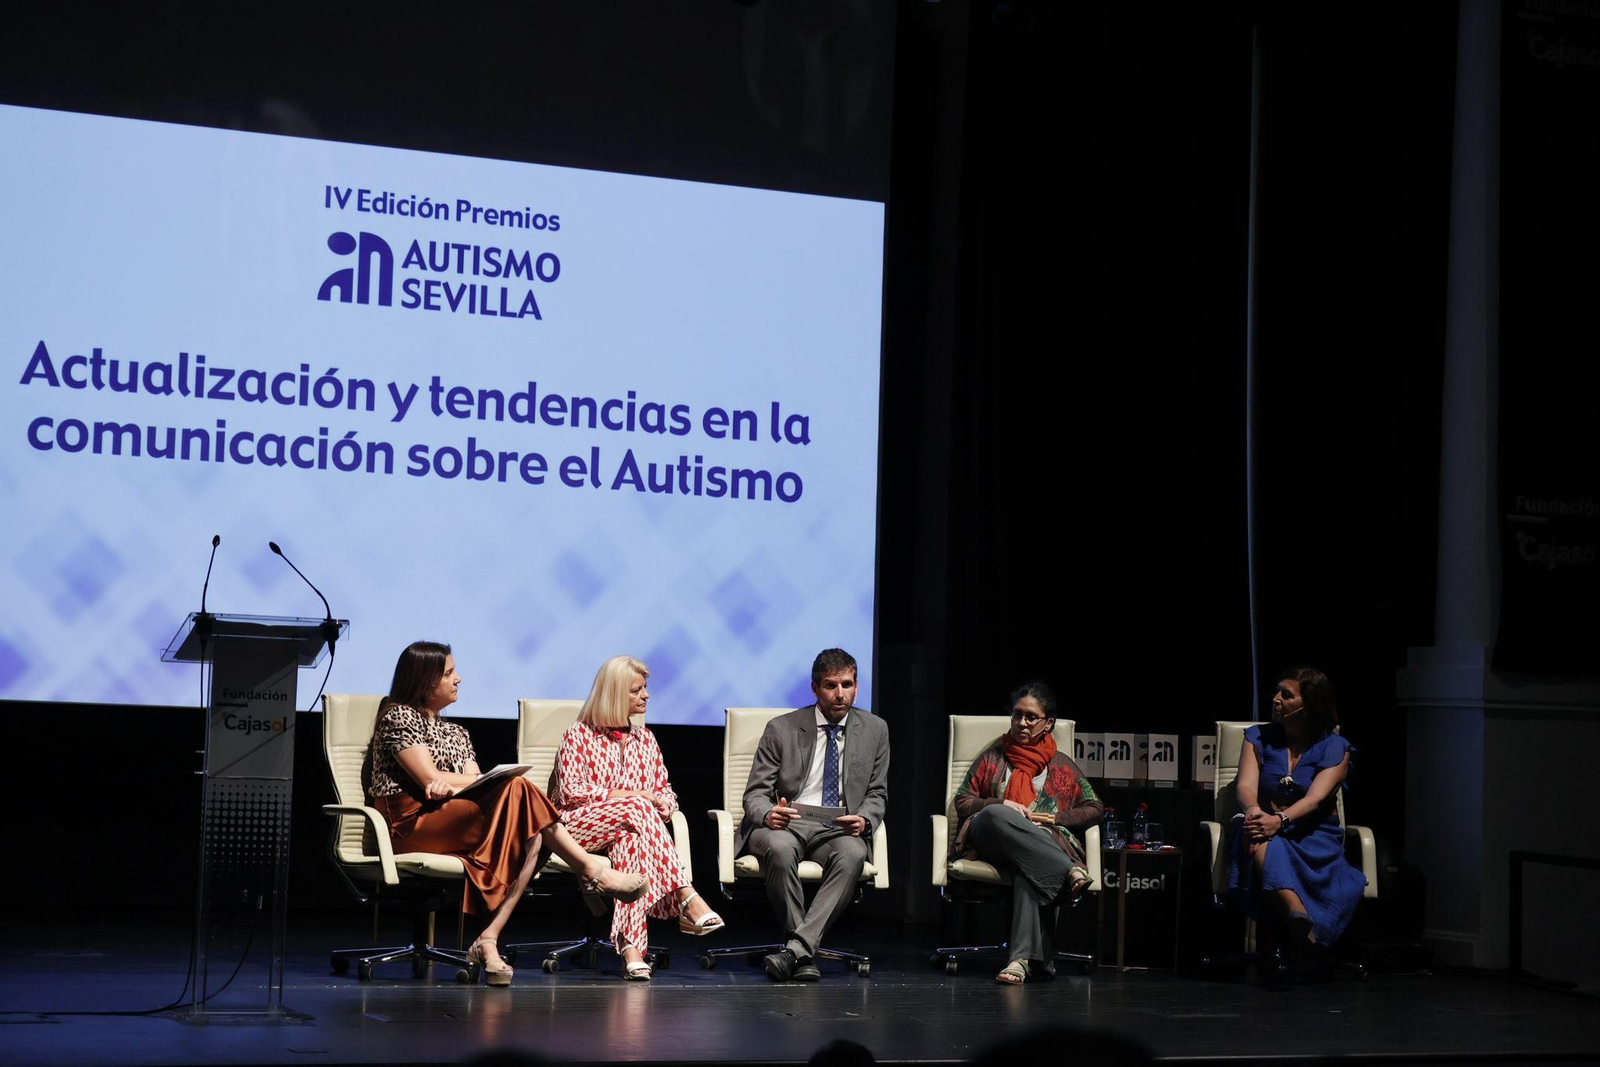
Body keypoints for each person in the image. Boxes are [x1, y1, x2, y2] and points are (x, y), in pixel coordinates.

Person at [364, 641, 648, 987]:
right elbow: (426, 778)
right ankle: (589, 869)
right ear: (425, 682)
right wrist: (449, 782)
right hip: (410, 824)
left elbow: (475, 781)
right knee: (520, 792)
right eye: (450, 673)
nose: (459, 679)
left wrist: (453, 783)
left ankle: (489, 939)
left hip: (451, 818)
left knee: (530, 829)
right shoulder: (398, 716)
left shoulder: (456, 731)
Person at [555, 655, 725, 980]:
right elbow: (571, 792)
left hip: (631, 828)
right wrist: (633, 798)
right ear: (615, 694)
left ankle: (631, 949)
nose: (646, 696)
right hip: (576, 828)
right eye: (636, 690)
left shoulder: (646, 740)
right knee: (637, 808)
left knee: (632, 840)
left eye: (645, 688)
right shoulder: (578, 734)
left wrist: (665, 805)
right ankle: (686, 896)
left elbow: (665, 788)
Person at [738, 648, 889, 982]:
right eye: (831, 686)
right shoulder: (782, 728)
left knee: (853, 854)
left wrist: (864, 818)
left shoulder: (876, 729)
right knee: (778, 848)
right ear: (815, 688)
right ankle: (802, 952)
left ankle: (794, 952)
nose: (840, 694)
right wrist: (767, 815)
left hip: (835, 828)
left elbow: (877, 792)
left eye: (847, 685)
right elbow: (754, 794)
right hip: (786, 823)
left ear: (857, 686)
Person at [952, 681, 1104, 984]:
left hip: (1035, 847)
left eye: (1030, 717)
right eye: (1017, 715)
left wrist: (1056, 816)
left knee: (1030, 868)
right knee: (997, 813)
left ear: (1048, 723)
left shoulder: (1061, 766)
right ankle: (1068, 869)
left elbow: (1095, 807)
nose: (1021, 722)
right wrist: (1001, 802)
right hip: (989, 838)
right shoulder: (993, 757)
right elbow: (963, 801)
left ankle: (1021, 960)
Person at [1226, 666, 1367, 971]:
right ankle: (1297, 915)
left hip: (1314, 834)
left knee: (1266, 834)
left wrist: (1280, 820)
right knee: (1254, 831)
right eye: (1277, 692)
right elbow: (1245, 786)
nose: (1275, 699)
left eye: (1286, 695)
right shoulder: (1257, 737)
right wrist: (1255, 812)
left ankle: (1303, 928)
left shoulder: (1336, 748)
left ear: (1310, 704)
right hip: (1264, 827)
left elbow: (1316, 798)